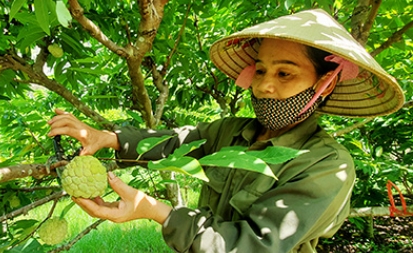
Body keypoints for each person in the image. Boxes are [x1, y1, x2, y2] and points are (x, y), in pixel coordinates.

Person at [48, 9, 405, 253]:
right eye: (261, 70)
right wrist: (107, 137)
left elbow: (256, 245)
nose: (265, 86)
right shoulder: (233, 131)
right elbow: (179, 142)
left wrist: (156, 211)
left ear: (324, 84)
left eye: (285, 73)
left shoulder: (326, 166)